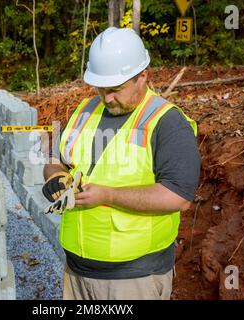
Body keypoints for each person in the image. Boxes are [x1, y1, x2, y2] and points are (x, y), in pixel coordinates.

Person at [42, 27, 201, 300]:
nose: (107, 98)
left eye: (115, 89)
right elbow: (56, 159)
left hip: (133, 279)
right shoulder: (85, 110)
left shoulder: (166, 122)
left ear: (142, 77)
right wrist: (55, 178)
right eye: (101, 89)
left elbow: (178, 196)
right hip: (76, 271)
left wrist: (107, 195)